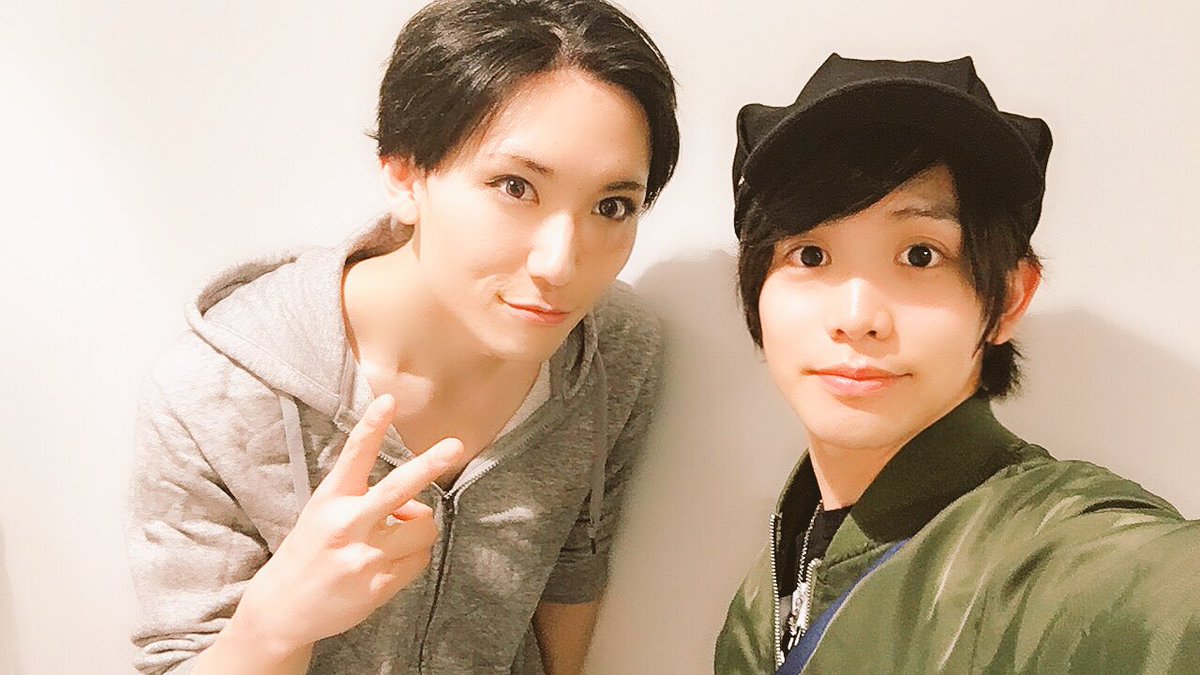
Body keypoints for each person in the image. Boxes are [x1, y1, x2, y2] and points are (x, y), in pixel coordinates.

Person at [126, 1, 678, 673]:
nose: (561, 265)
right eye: (515, 186)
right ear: (404, 176)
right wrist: (273, 628)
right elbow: (178, 656)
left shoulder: (614, 352)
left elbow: (572, 570)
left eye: (611, 206)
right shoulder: (216, 392)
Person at [714, 54, 1200, 673]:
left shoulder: (1048, 556)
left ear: (1010, 299)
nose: (857, 316)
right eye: (809, 255)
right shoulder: (768, 589)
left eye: (920, 255)